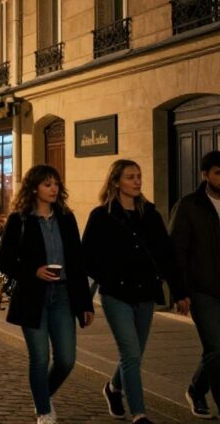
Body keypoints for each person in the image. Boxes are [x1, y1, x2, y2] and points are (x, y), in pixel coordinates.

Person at [82, 159, 187, 424]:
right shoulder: (101, 216)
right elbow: (86, 258)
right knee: (130, 354)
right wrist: (108, 278)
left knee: (135, 353)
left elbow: (166, 255)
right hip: (115, 294)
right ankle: (139, 414)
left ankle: (113, 388)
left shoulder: (150, 214)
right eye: (131, 177)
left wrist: (179, 291)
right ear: (116, 181)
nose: (138, 181)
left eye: (139, 176)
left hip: (145, 293)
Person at [0, 164, 94, 424]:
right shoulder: (19, 219)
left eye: (56, 184)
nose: (54, 189)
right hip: (33, 297)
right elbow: (5, 261)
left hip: (63, 296)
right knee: (39, 358)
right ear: (34, 188)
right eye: (47, 184)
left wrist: (86, 304)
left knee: (66, 359)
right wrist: (33, 271)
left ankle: (43, 394)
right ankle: (43, 410)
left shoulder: (66, 217)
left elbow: (77, 263)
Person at [170, 150, 220, 419]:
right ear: (205, 175)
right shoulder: (189, 206)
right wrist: (180, 292)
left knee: (215, 350)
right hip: (203, 290)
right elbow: (176, 251)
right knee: (217, 347)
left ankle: (196, 389)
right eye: (218, 173)